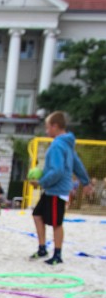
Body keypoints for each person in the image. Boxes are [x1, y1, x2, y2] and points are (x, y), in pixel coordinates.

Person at [30, 111, 92, 266]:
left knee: (56, 222)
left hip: (56, 190)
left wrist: (41, 182)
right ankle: (42, 248)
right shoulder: (67, 143)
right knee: (37, 215)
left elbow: (57, 171)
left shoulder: (58, 144)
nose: (46, 131)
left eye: (47, 127)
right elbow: (77, 164)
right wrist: (85, 182)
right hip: (53, 189)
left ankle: (57, 255)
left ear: (55, 126)